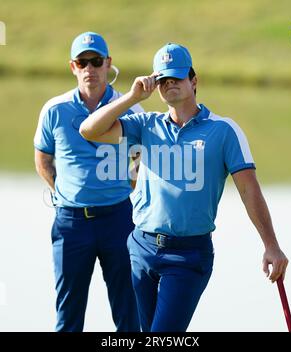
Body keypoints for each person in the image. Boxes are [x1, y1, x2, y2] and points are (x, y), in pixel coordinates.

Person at [79, 43, 289, 332]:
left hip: (188, 255)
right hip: (141, 247)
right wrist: (132, 96)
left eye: (176, 78)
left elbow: (248, 191)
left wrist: (271, 246)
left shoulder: (223, 130)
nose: (170, 85)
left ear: (194, 81)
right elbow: (89, 130)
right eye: (163, 80)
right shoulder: (145, 125)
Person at [34, 31, 143, 332]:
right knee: (68, 317)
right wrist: (64, 192)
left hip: (118, 220)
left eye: (96, 62)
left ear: (108, 64)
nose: (90, 69)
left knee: (128, 314)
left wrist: (125, 186)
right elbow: (43, 158)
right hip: (71, 223)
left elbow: (141, 159)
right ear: (73, 67)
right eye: (83, 63)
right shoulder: (55, 110)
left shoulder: (131, 108)